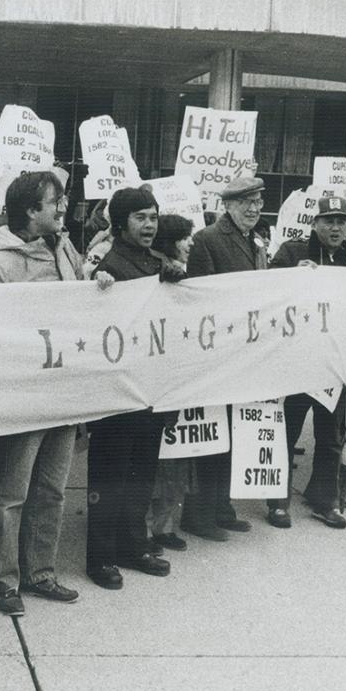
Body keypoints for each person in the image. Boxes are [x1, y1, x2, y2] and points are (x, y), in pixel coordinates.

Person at [0, 172, 86, 613]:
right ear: (29, 211)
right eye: (54, 201)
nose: (62, 208)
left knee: (52, 489)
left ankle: (41, 573)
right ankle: (4, 581)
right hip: (25, 395)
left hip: (64, 389)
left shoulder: (64, 248)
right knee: (13, 493)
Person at [88, 187, 179, 589]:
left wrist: (178, 280)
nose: (149, 225)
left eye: (154, 217)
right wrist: (99, 285)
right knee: (110, 475)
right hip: (117, 392)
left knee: (142, 472)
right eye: (140, 217)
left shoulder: (160, 264)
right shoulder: (109, 265)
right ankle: (101, 556)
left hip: (151, 387)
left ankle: (133, 544)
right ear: (121, 222)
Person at [181, 174, 269, 538]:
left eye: (258, 202)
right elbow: (202, 300)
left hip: (245, 354)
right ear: (228, 206)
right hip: (219, 355)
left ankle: (222, 505)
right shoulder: (208, 240)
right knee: (212, 436)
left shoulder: (257, 241)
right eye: (245, 202)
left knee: (235, 431)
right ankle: (199, 515)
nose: (253, 208)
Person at [268, 195, 346, 528]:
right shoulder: (292, 252)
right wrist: (292, 275)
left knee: (330, 436)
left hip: (332, 366)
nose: (335, 227)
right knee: (285, 433)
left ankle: (325, 499)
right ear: (315, 224)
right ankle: (278, 501)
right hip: (296, 362)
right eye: (329, 221)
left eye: (341, 222)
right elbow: (266, 287)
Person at [145, 213, 197, 552]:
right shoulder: (155, 271)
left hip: (181, 375)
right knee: (158, 461)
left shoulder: (188, 272)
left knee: (178, 456)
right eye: (184, 237)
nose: (191, 243)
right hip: (157, 378)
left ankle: (163, 525)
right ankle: (147, 528)